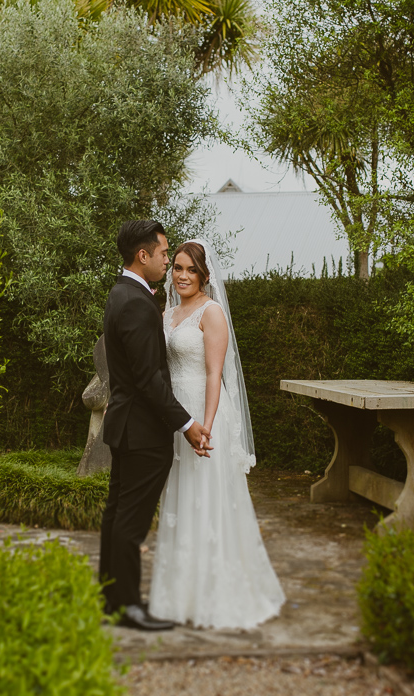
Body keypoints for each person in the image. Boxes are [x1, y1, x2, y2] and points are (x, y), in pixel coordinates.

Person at [148, 238, 286, 629]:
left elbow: (214, 373)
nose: (183, 276)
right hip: (176, 415)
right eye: (177, 267)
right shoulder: (167, 313)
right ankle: (181, 594)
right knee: (181, 497)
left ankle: (217, 594)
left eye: (191, 270)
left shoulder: (212, 313)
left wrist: (205, 426)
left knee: (206, 496)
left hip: (203, 411)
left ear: (205, 275)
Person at [99, 220, 212, 631]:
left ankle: (112, 599)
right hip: (143, 433)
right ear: (142, 255)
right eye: (164, 254)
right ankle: (128, 606)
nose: (167, 261)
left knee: (116, 516)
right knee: (130, 523)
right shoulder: (135, 302)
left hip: (126, 426)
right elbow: (148, 379)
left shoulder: (122, 293)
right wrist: (186, 424)